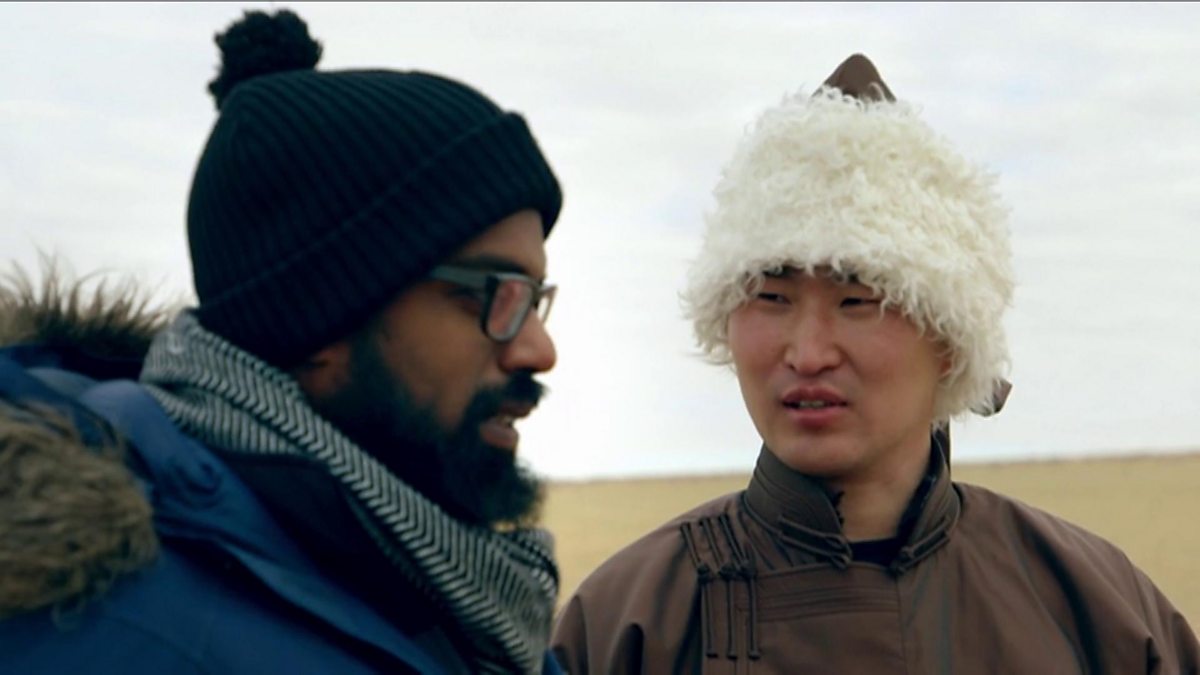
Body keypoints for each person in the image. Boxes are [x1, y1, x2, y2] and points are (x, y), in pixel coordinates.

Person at [551, 54, 1200, 674]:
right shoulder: (623, 627)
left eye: (857, 300)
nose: (808, 353)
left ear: (950, 337)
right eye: (771, 297)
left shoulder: (1098, 612)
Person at [0, 8, 566, 674]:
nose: (539, 350)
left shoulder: (436, 586)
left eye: (534, 298)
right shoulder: (112, 638)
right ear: (319, 314)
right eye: (494, 293)